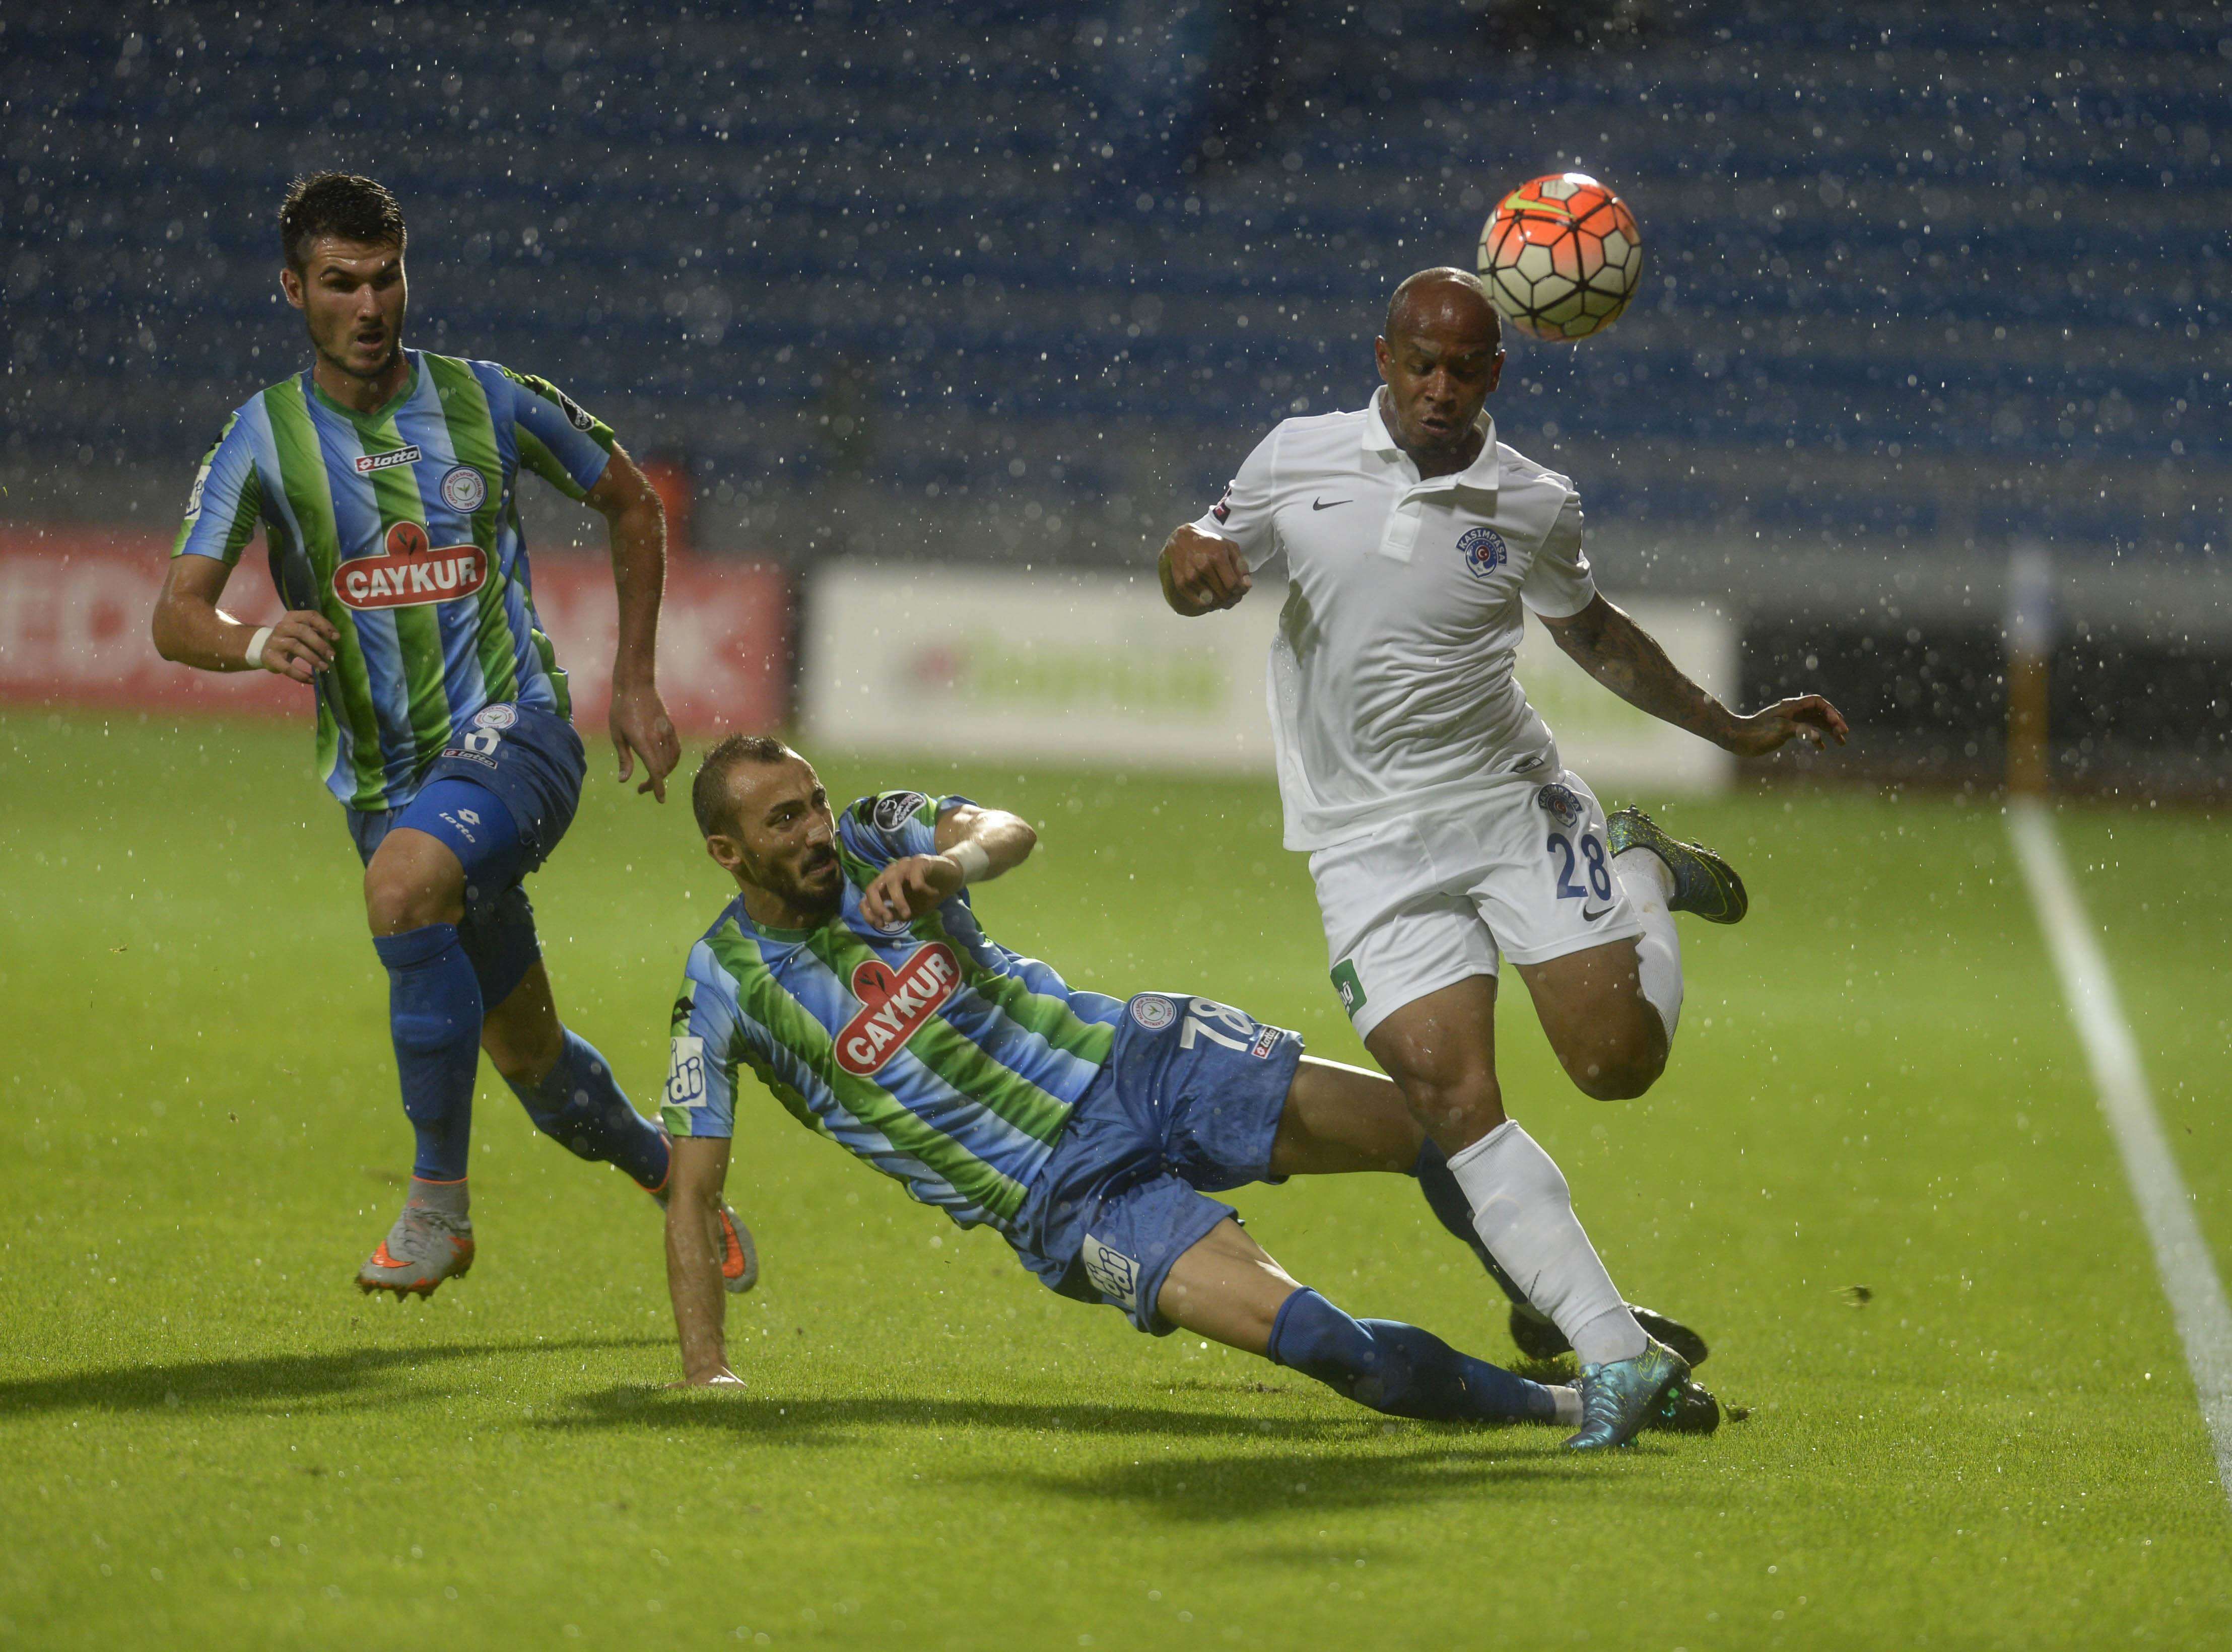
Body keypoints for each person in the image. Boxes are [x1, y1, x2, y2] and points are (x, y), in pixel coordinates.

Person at [1156, 266, 1848, 1409]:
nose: (1439, 388)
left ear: (1496, 373)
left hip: (1504, 802)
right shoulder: (1295, 455)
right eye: (1420, 364)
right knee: (1448, 1095)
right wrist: (1187, 561)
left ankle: (1638, 865)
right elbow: (1198, 554)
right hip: (1363, 842)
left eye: (1464, 369)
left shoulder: (1531, 500)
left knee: (1614, 1065)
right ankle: (1616, 1355)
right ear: (1383, 359)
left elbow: (1594, 633)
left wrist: (1728, 727)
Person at [658, 736, 1719, 1448]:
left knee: (1433, 1124)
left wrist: (954, 867)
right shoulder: (723, 989)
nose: (814, 830)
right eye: (782, 821)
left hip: (1142, 1064)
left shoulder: (874, 834)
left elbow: (1006, 827)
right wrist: (708, 1371)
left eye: (813, 803)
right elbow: (693, 1191)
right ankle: (1572, 1401)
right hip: (1072, 1198)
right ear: (724, 851)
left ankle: (1574, 1314)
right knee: (1336, 1353)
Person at [152, 172, 754, 1300]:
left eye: (386, 279)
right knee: (539, 1070)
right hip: (387, 783)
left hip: (517, 732)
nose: (369, 305)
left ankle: (437, 1207)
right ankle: (677, 1182)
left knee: (401, 887)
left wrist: (632, 681)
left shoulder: (488, 397)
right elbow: (176, 615)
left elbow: (631, 499)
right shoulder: (263, 436)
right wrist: (253, 640)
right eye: (341, 283)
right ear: (294, 289)